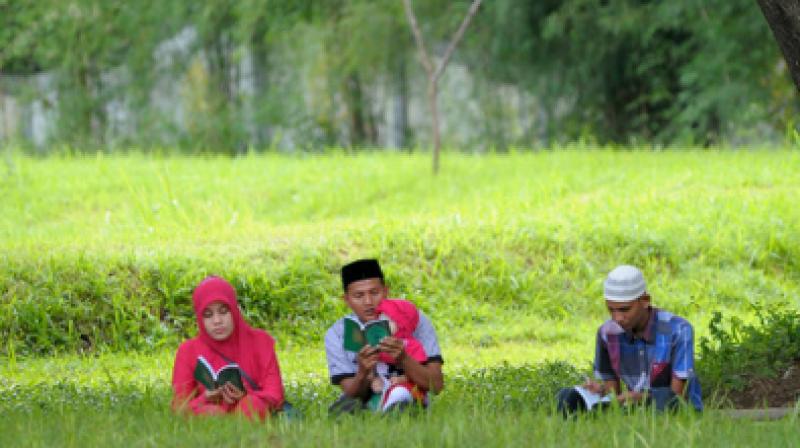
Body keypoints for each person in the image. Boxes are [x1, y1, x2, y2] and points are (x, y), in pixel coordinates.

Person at [556, 265, 703, 416]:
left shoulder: (678, 330)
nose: (617, 318)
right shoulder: (606, 334)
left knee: (665, 398)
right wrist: (599, 392)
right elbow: (613, 395)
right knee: (567, 396)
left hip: (674, 409)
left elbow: (678, 396)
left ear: (645, 301)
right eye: (611, 309)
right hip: (634, 409)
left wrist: (640, 398)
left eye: (624, 309)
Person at [324, 259, 444, 414]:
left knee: (404, 406)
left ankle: (400, 409)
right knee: (341, 409)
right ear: (346, 300)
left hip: (408, 396)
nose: (368, 302)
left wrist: (403, 358)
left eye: (374, 293)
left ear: (386, 291)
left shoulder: (412, 319)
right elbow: (350, 393)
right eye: (358, 296)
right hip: (367, 401)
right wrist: (362, 372)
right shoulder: (337, 334)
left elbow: (436, 384)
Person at [172, 276, 285, 419]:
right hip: (210, 412)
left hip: (249, 410)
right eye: (208, 315)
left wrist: (246, 394)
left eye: (223, 311)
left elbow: (276, 394)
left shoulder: (260, 341)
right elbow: (179, 406)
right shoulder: (188, 350)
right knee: (211, 413)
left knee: (251, 405)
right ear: (200, 319)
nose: (217, 321)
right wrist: (206, 397)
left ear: (234, 310)